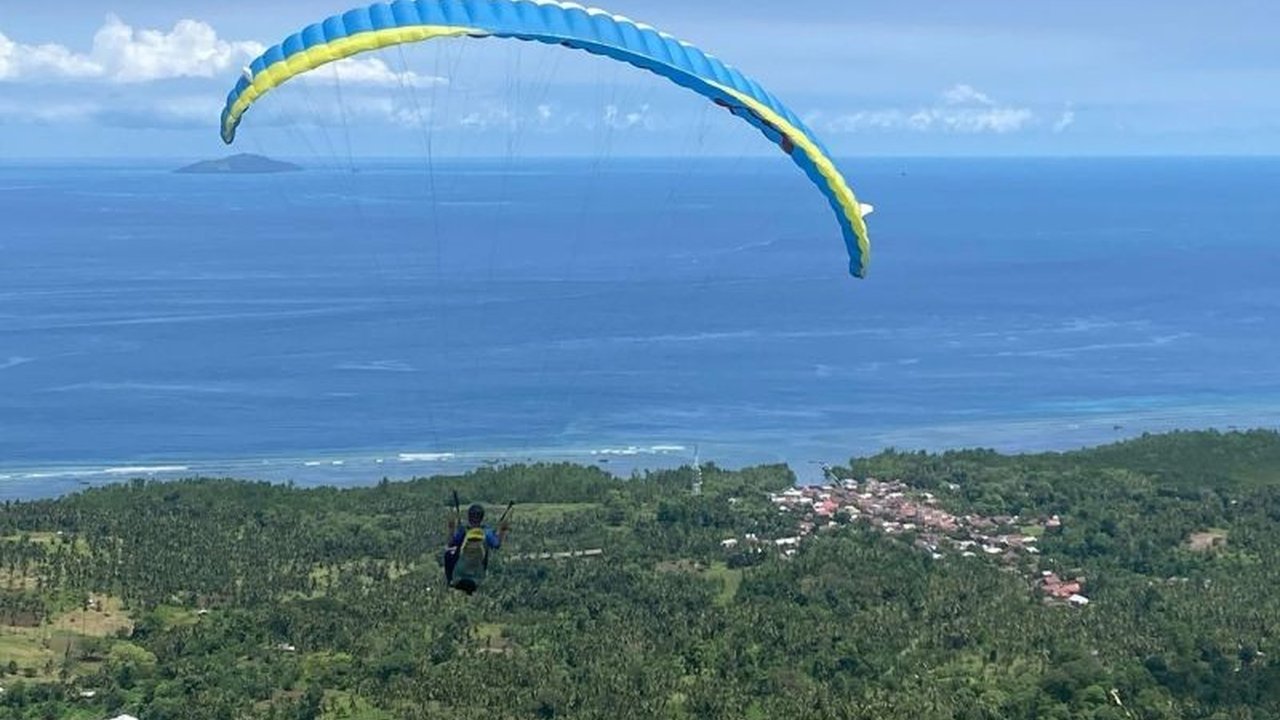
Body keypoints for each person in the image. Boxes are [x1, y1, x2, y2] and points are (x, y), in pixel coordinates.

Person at [444, 503, 509, 594]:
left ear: (469, 517)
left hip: (460, 571)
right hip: (478, 573)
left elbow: (451, 543)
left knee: (448, 554)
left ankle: (449, 580)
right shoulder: (487, 532)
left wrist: (451, 528)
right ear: (481, 518)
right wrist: (502, 531)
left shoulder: (463, 531)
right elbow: (496, 545)